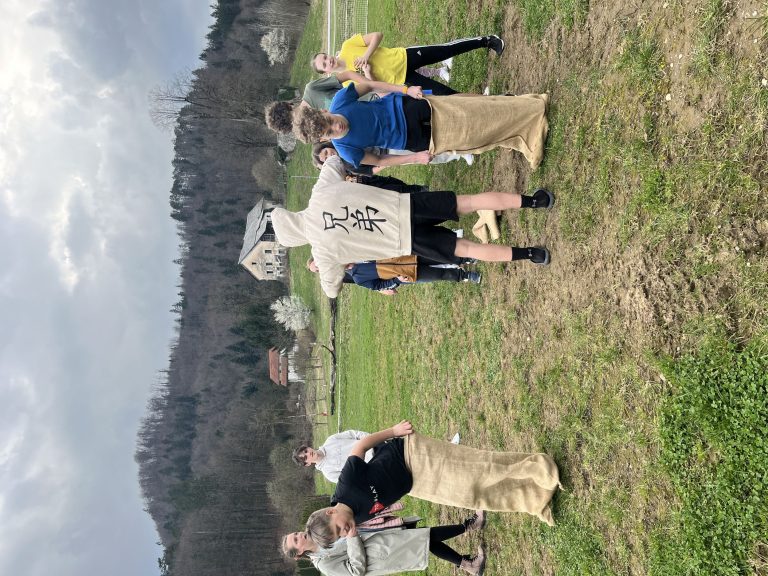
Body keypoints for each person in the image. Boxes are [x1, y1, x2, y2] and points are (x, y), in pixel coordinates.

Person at [270, 154, 554, 298]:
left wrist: (336, 261)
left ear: (296, 239)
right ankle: (535, 201)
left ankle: (532, 254)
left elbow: (331, 290)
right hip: (407, 205)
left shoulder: (321, 253)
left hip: (406, 242)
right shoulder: (319, 193)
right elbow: (333, 160)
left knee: (469, 250)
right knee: (470, 201)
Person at [308, 420, 560, 528]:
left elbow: (360, 446)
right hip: (416, 485)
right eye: (340, 535)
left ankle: (539, 469)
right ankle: (533, 499)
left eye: (339, 529)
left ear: (330, 512)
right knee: (472, 496)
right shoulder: (353, 520)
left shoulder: (346, 485)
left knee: (480, 469)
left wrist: (393, 431)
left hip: (411, 455)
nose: (345, 531)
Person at [292, 80, 549, 170]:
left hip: (408, 107)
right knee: (471, 135)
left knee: (465, 109)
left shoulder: (341, 100)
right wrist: (415, 158)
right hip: (413, 140)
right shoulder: (346, 150)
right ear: (324, 139)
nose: (335, 127)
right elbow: (380, 161)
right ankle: (516, 133)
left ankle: (515, 106)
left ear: (324, 111)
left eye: (329, 121)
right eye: (329, 131)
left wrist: (405, 89)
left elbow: (369, 85)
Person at [281, 512, 488, 576]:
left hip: (381, 534)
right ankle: (470, 525)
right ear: (299, 553)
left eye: (296, 534)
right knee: (427, 537)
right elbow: (355, 571)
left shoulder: (317, 528)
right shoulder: (325, 564)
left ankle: (468, 564)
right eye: (296, 540)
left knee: (425, 538)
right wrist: (352, 537)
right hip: (385, 552)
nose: (300, 535)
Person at [312, 32, 505, 95]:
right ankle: (483, 100)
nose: (329, 61)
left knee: (446, 50)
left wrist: (366, 55)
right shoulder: (347, 83)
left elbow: (377, 35)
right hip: (405, 81)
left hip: (405, 57)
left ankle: (487, 41)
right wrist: (368, 74)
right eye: (325, 64)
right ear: (326, 73)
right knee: (445, 95)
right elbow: (377, 90)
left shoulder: (347, 46)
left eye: (325, 57)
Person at [307, 256, 481, 295]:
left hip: (406, 255)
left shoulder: (355, 251)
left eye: (319, 265)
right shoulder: (358, 278)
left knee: (436, 256)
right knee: (439, 274)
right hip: (405, 274)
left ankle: (465, 258)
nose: (322, 268)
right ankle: (465, 276)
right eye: (318, 270)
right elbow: (378, 285)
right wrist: (396, 280)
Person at [293, 430, 374, 484]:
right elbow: (352, 479)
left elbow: (353, 434)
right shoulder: (329, 473)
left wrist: (371, 439)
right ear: (307, 464)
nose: (308, 453)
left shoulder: (331, 440)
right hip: (373, 465)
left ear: (308, 447)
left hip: (374, 445)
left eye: (306, 451)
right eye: (305, 457)